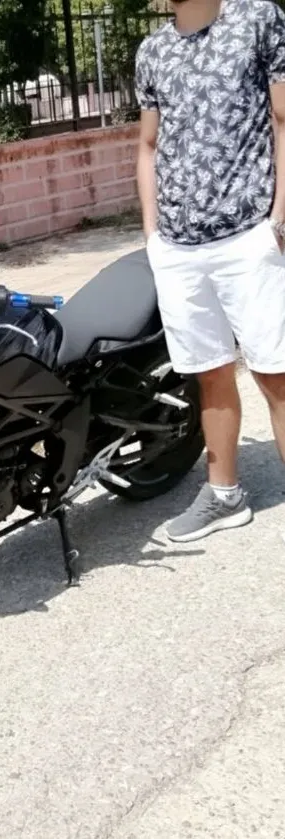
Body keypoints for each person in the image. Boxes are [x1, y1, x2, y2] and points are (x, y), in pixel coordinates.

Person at [135, 0, 285, 543]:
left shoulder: (257, 18)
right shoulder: (153, 49)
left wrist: (279, 217)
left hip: (248, 234)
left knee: (275, 372)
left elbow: (282, 116)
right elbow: (148, 146)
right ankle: (225, 495)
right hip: (178, 246)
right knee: (210, 371)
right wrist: (152, 235)